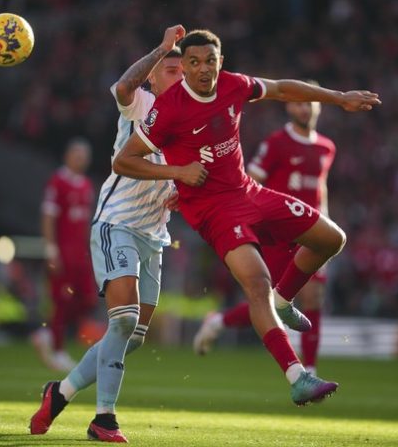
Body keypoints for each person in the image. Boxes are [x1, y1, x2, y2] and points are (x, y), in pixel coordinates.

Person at [113, 29, 380, 407]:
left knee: (331, 239)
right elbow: (123, 160)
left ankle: (284, 301)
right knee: (257, 283)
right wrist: (178, 173)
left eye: (210, 61)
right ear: (185, 68)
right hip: (213, 210)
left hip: (248, 192)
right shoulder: (169, 108)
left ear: (220, 63)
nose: (203, 69)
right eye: (193, 63)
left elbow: (283, 88)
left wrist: (339, 98)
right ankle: (297, 376)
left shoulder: (234, 85)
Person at [30, 25, 185, 442]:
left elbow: (186, 181)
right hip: (117, 223)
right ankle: (105, 419)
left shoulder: (192, 123)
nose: (180, 76)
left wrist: (179, 195)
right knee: (125, 319)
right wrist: (162, 48)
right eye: (171, 68)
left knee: (131, 336)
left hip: (155, 235)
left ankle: (59, 393)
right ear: (155, 74)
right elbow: (121, 86)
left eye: (182, 70)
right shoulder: (143, 102)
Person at [193, 94, 335, 377]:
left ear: (317, 107)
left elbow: (322, 188)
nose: (304, 107)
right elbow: (252, 179)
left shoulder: (326, 148)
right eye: (299, 102)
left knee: (313, 295)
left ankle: (310, 368)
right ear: (289, 106)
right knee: (267, 299)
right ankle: (220, 321)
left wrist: (325, 228)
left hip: (310, 230)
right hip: (279, 230)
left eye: (309, 103)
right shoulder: (276, 143)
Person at [33, 139, 96, 371]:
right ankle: (58, 349)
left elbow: (85, 222)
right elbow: (48, 216)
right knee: (62, 301)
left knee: (88, 298)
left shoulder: (86, 185)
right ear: (68, 156)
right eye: (77, 154)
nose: (81, 159)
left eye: (84, 155)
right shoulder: (58, 182)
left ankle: (47, 334)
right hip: (63, 253)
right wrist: (51, 250)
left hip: (81, 254)